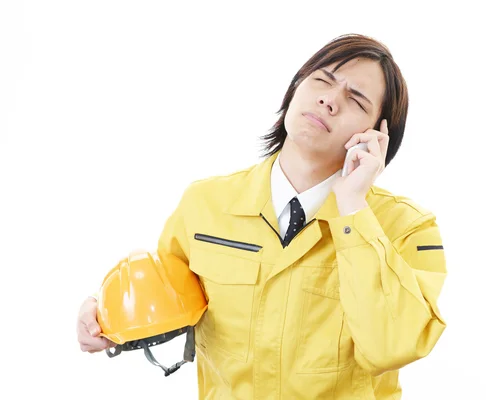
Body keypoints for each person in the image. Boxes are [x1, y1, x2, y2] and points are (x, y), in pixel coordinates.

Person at [77, 33, 447, 399]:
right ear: (296, 87)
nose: (329, 100)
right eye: (322, 80)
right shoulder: (204, 204)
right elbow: (162, 302)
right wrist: (104, 319)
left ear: (378, 136)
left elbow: (393, 344)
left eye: (356, 99)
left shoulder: (409, 228)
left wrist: (353, 208)